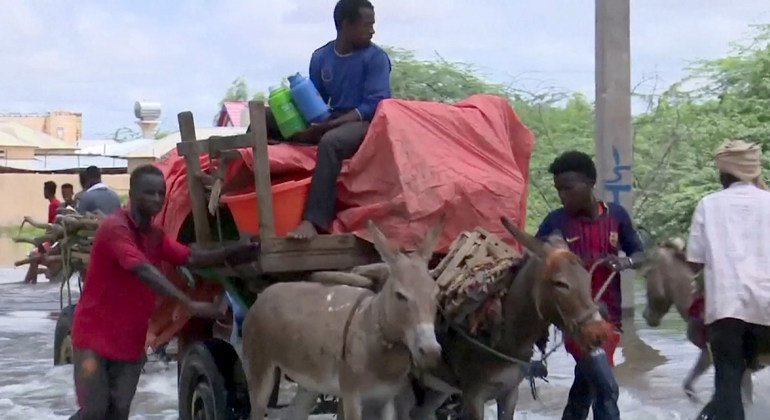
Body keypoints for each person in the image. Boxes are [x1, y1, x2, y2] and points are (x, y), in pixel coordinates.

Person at [69, 164, 259, 420]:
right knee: (94, 412)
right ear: (132, 194)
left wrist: (234, 250)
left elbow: (190, 257)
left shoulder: (155, 235)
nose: (157, 199)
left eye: (161, 193)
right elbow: (144, 270)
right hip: (94, 337)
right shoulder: (116, 228)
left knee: (118, 413)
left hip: (130, 341)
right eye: (150, 193)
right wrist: (188, 303)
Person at [535, 151, 645, 420]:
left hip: (611, 319)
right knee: (606, 387)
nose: (562, 195)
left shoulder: (616, 216)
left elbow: (642, 255)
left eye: (568, 188)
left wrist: (625, 262)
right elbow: (533, 262)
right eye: (558, 190)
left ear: (590, 183)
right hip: (577, 322)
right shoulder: (555, 222)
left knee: (586, 386)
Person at [283, 0, 391, 240]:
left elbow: (375, 105)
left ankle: (314, 221)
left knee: (330, 142)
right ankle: (230, 178)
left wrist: (327, 127)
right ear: (346, 25)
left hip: (366, 122)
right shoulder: (321, 57)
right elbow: (316, 101)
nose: (372, 30)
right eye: (367, 25)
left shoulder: (376, 58)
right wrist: (303, 124)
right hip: (334, 116)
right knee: (269, 118)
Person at [687, 139, 770, 420]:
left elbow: (694, 260)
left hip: (726, 311)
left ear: (724, 173)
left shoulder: (708, 205)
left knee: (729, 383)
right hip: (767, 308)